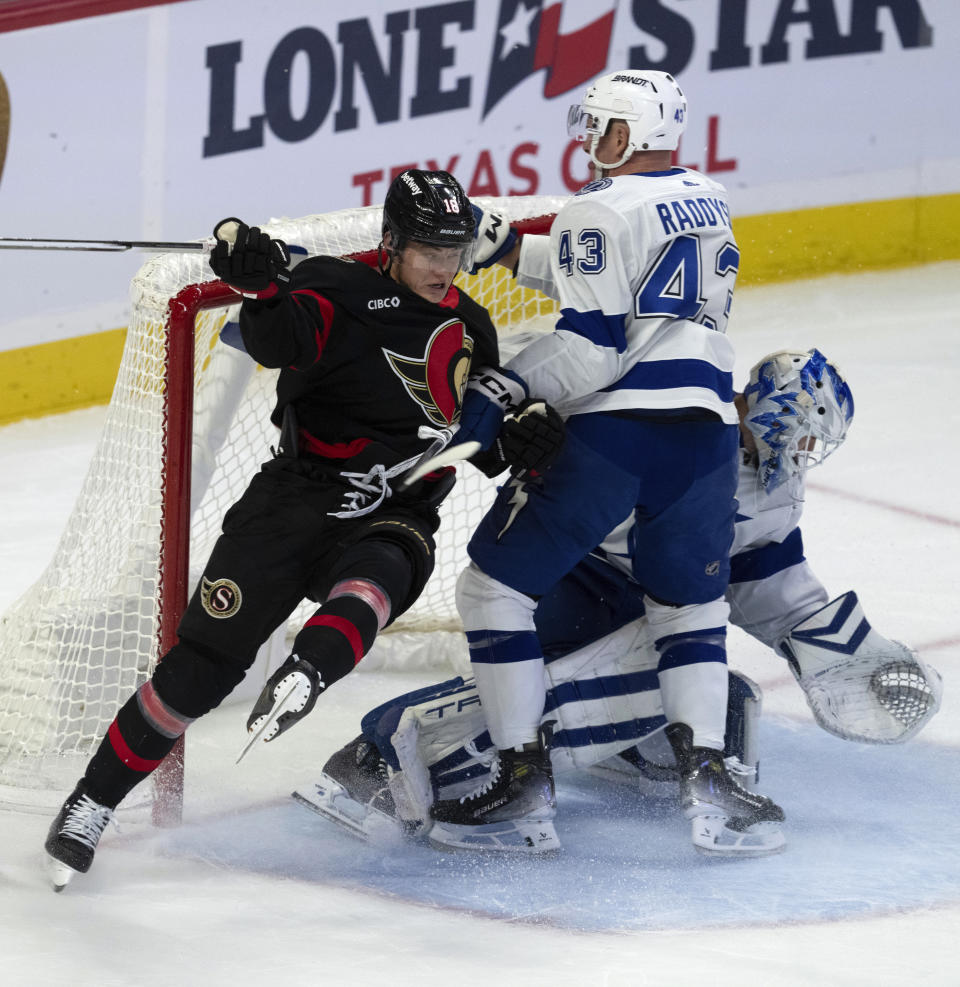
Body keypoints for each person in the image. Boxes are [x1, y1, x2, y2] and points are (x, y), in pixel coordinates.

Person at [42, 169, 548, 891]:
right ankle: (91, 800)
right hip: (294, 500)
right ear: (394, 241)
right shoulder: (332, 287)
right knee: (200, 666)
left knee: (377, 577)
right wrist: (262, 285)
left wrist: (524, 440)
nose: (445, 265)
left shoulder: (470, 325)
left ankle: (310, 668)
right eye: (430, 248)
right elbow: (281, 339)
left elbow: (482, 440)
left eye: (456, 248)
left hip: (395, 510)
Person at [296, 349, 942, 855]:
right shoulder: (681, 422)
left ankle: (631, 749)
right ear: (767, 409)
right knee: (637, 680)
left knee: (723, 700)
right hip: (569, 584)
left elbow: (764, 574)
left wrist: (839, 643)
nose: (803, 455)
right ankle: (383, 755)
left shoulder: (775, 487)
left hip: (641, 600)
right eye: (800, 435)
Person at [407, 70, 783, 852]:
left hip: (621, 434)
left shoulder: (596, 208)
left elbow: (590, 353)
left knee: (493, 589)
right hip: (707, 438)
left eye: (603, 125)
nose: (590, 138)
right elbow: (629, 275)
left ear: (632, 133)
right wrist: (510, 247)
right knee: (689, 610)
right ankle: (712, 782)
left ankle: (522, 785)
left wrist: (507, 382)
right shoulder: (709, 199)